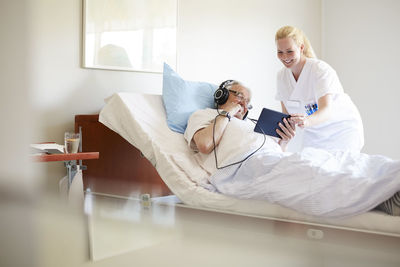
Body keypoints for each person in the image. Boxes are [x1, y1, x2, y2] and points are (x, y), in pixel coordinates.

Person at [184, 81, 400, 218]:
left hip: (271, 160)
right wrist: (226, 113)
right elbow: (204, 145)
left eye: (248, 102)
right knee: (309, 169)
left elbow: (276, 156)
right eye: (239, 96)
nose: (244, 104)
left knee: (340, 159)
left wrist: (284, 141)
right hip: (241, 169)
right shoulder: (204, 116)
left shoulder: (250, 124)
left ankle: (391, 175)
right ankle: (384, 195)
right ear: (222, 95)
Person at [274, 25, 364, 152]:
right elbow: (286, 116)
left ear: (301, 48)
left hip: (341, 130)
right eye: (280, 52)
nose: (285, 57)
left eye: (289, 51)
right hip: (314, 134)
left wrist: (306, 121)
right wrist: (282, 139)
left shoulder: (320, 70)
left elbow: (326, 110)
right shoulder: (281, 76)